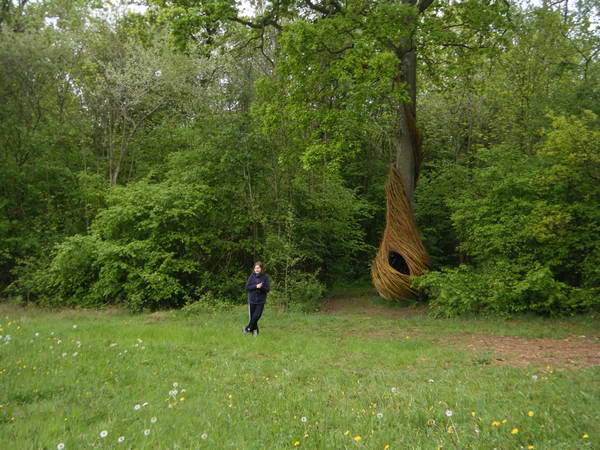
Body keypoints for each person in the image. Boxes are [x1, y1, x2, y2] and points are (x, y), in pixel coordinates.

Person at [243, 261, 270, 336]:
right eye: (255, 268)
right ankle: (255, 333)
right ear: (254, 269)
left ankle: (247, 329)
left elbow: (267, 289)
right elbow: (247, 287)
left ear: (261, 269)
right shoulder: (252, 276)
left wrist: (261, 287)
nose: (257, 269)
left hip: (261, 301)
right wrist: (256, 286)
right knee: (253, 318)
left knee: (257, 316)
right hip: (252, 300)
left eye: (258, 268)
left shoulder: (265, 277)